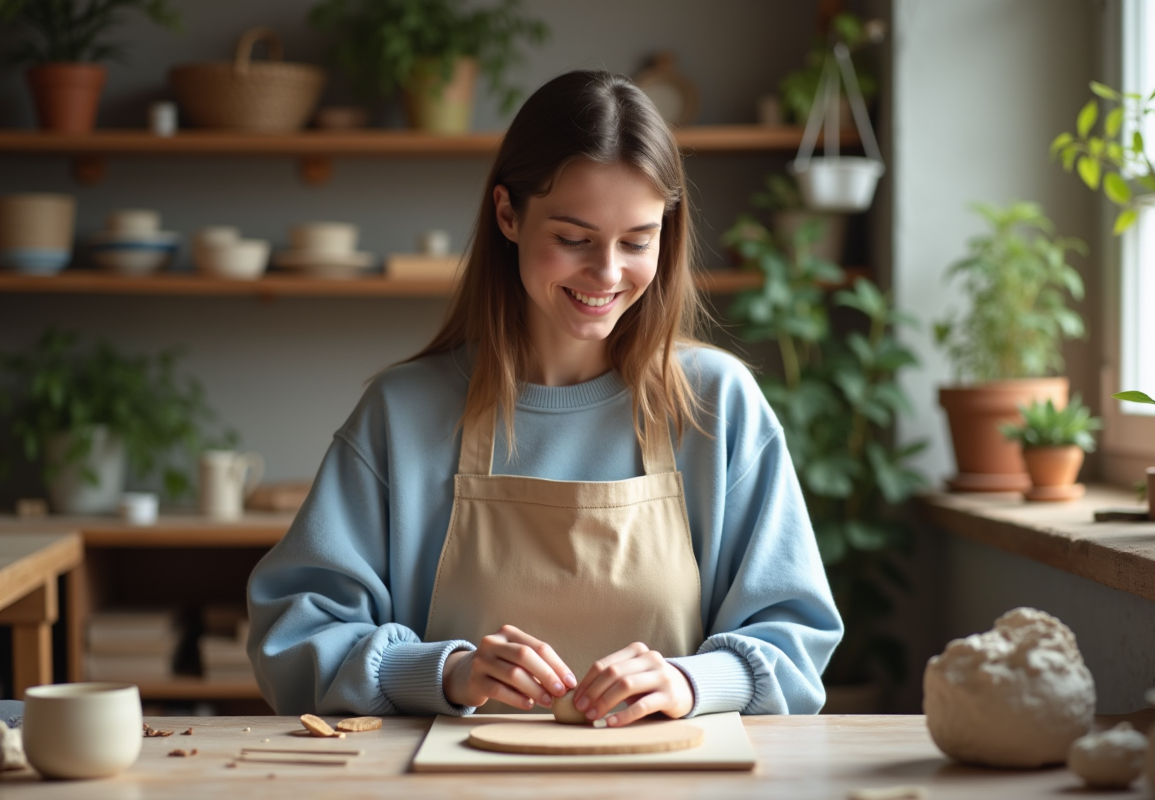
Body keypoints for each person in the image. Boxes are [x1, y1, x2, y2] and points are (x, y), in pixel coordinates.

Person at [247, 70, 843, 727]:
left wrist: (688, 682)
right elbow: (292, 639)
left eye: (638, 241)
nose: (608, 273)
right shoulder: (402, 413)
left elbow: (794, 641)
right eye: (573, 239)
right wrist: (443, 672)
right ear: (508, 214)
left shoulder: (718, 404)